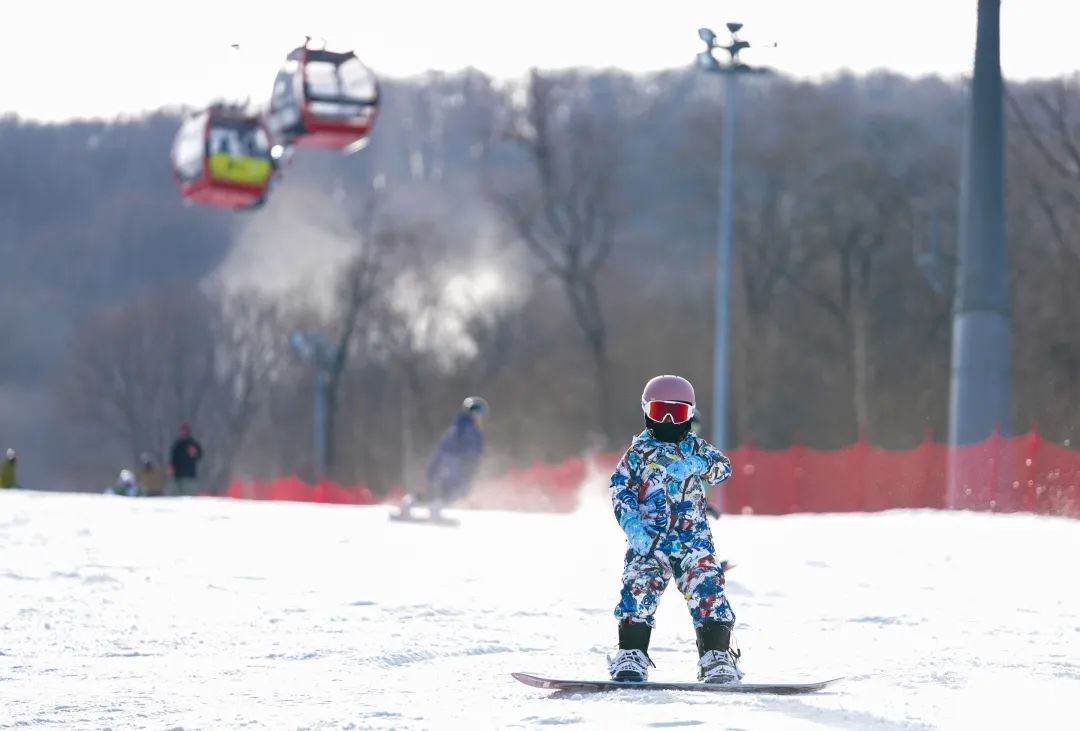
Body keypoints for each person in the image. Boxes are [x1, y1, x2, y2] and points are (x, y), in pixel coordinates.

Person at [607, 375, 741, 685]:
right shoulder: (638, 454)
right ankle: (631, 653)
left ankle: (716, 655)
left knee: (708, 591)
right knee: (638, 591)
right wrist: (632, 524)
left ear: (690, 414)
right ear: (646, 411)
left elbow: (723, 468)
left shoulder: (696, 447)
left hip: (693, 541)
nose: (668, 421)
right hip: (649, 542)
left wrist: (699, 464)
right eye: (660, 412)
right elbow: (620, 488)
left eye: (677, 414)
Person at [402, 397, 487, 519]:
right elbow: (472, 452)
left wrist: (432, 470)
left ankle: (409, 503)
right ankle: (435, 509)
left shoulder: (457, 426)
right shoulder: (470, 429)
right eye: (479, 414)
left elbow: (442, 449)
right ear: (474, 413)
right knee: (457, 490)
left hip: (441, 460)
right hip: (453, 463)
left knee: (431, 486)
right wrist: (470, 469)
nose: (480, 417)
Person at [169, 422, 204, 497]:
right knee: (177, 496)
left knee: (190, 496)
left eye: (185, 430)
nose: (184, 432)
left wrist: (195, 453)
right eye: (182, 430)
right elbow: (173, 459)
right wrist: (172, 470)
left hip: (190, 475)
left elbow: (200, 455)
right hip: (178, 476)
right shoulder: (178, 445)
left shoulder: (193, 443)